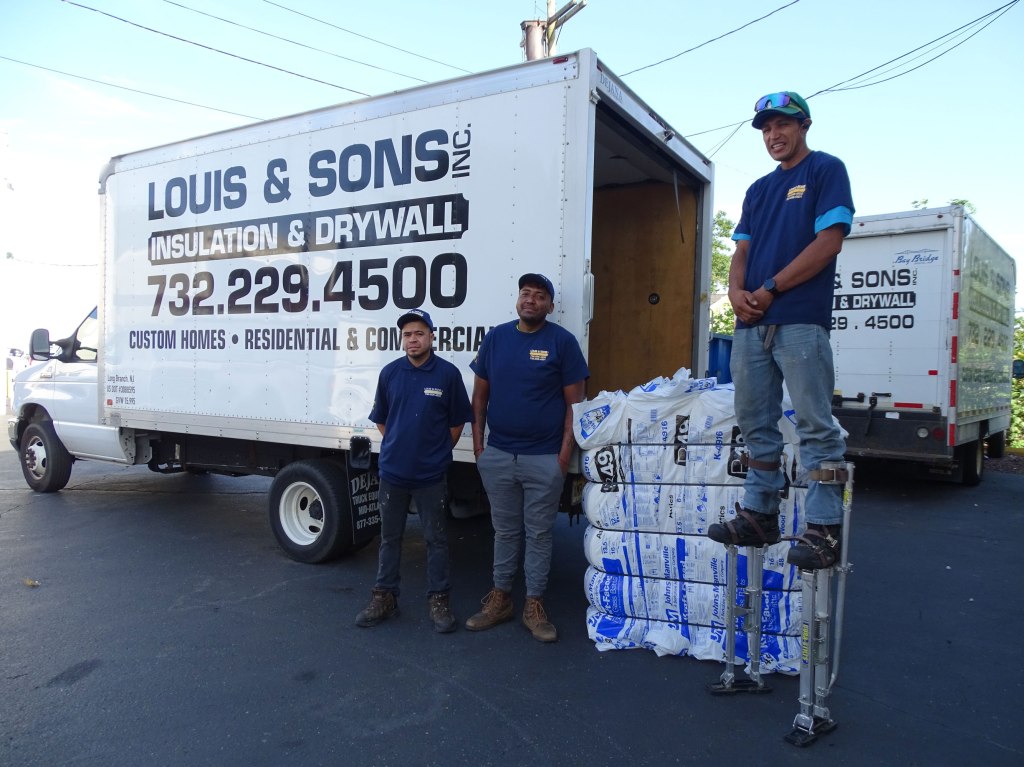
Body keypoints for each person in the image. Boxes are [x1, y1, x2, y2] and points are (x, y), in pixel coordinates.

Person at [707, 91, 854, 570]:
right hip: (751, 323)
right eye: (767, 128)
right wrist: (735, 292)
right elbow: (742, 251)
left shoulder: (825, 170)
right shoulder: (758, 189)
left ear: (804, 126)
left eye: (783, 125)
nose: (774, 135)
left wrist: (770, 288)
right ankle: (759, 514)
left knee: (815, 424)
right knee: (755, 422)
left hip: (800, 320)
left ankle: (824, 529)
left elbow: (829, 242)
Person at [464, 273, 589, 642]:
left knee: (538, 534)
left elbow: (576, 406)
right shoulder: (496, 339)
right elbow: (479, 398)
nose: (531, 300)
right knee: (504, 531)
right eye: (525, 293)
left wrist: (562, 457)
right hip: (498, 455)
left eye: (539, 295)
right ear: (518, 299)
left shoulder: (562, 342)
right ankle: (500, 599)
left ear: (550, 306)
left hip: (544, 459)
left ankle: (534, 604)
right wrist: (479, 449)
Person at [355, 308, 473, 633]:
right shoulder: (390, 373)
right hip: (393, 473)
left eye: (419, 333)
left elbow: (457, 422)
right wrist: (399, 445)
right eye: (407, 334)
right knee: (389, 539)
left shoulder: (447, 374)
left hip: (430, 476)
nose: (413, 339)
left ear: (432, 337)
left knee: (436, 540)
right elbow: (382, 420)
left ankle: (439, 599)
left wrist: (435, 452)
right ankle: (384, 596)